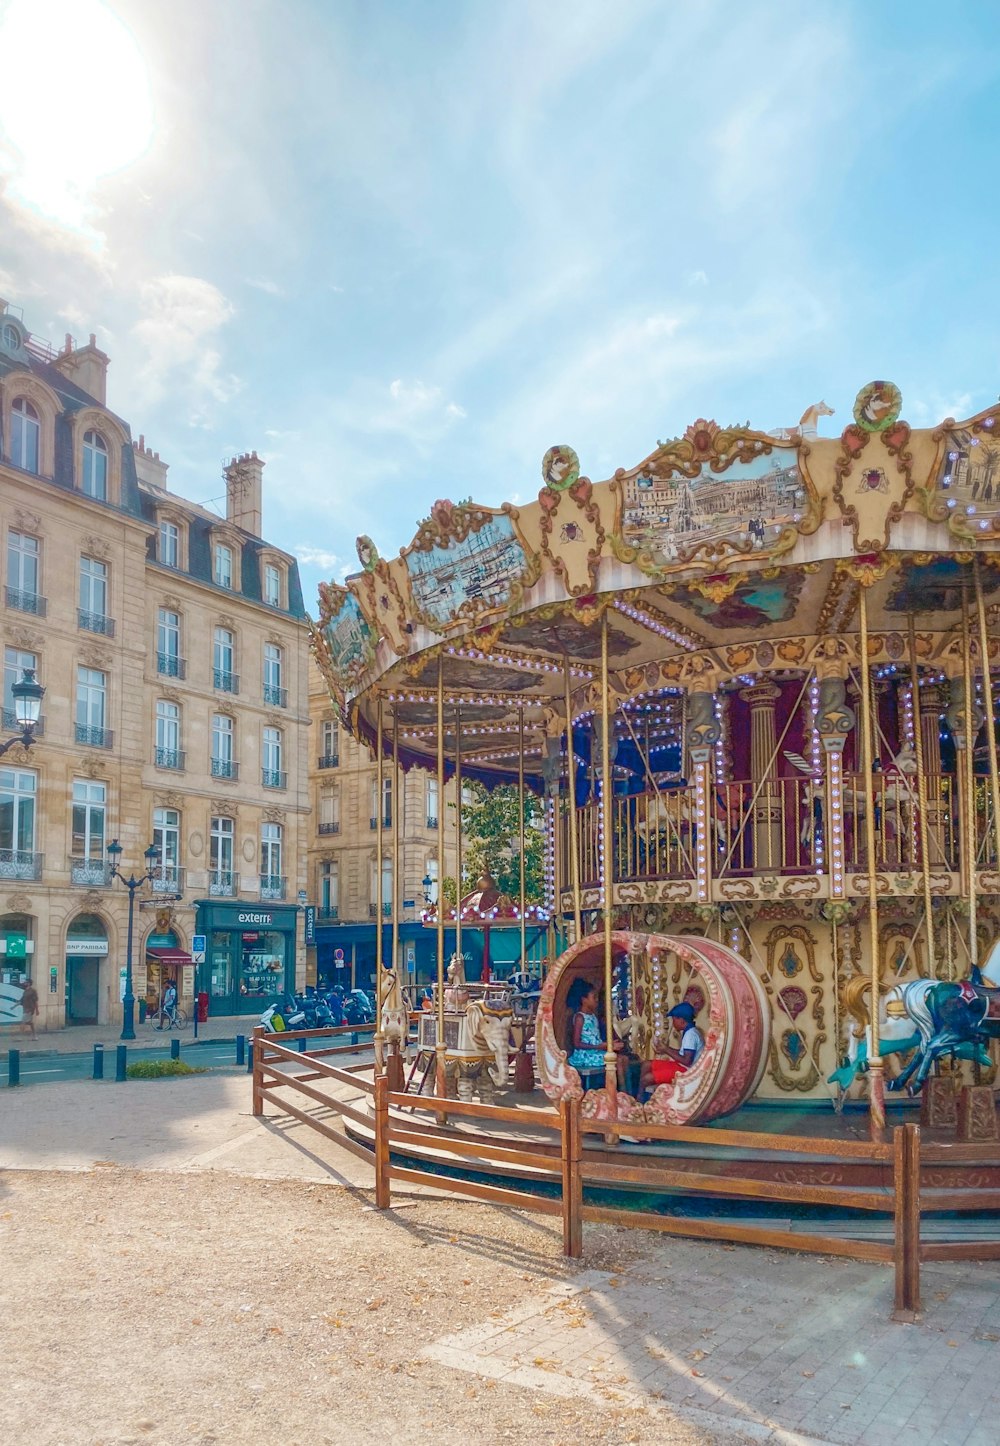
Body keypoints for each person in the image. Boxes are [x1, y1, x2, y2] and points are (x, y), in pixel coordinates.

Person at [565, 977, 627, 1086]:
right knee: (618, 1060)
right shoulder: (580, 1017)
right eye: (594, 997)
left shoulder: (593, 1016)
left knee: (623, 1059)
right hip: (585, 1055)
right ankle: (621, 1091)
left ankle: (622, 1090)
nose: (597, 1000)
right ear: (584, 1000)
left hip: (595, 1052)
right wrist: (602, 1046)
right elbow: (577, 1043)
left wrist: (608, 1045)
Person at [640, 1001, 703, 1093]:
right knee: (646, 1064)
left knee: (646, 1078)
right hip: (681, 1066)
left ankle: (641, 1099)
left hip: (685, 1070)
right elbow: (684, 1053)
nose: (673, 1023)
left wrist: (666, 1049)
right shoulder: (690, 1032)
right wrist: (665, 1049)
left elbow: (687, 1061)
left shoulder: (691, 1035)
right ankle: (639, 1098)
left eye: (674, 1020)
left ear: (682, 1020)